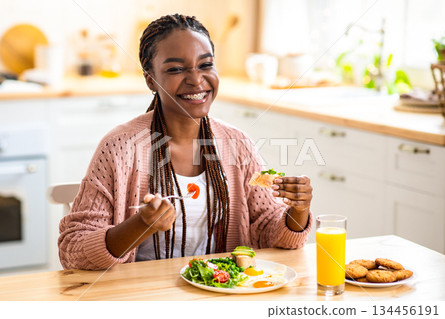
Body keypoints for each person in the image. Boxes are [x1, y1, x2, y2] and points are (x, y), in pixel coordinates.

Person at [58, 14, 313, 270]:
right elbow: (73, 249)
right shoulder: (119, 147)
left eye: (205, 65)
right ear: (150, 79)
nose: (195, 79)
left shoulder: (237, 143)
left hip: (220, 294)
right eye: (176, 69)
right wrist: (139, 225)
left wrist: (298, 211)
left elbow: (269, 231)